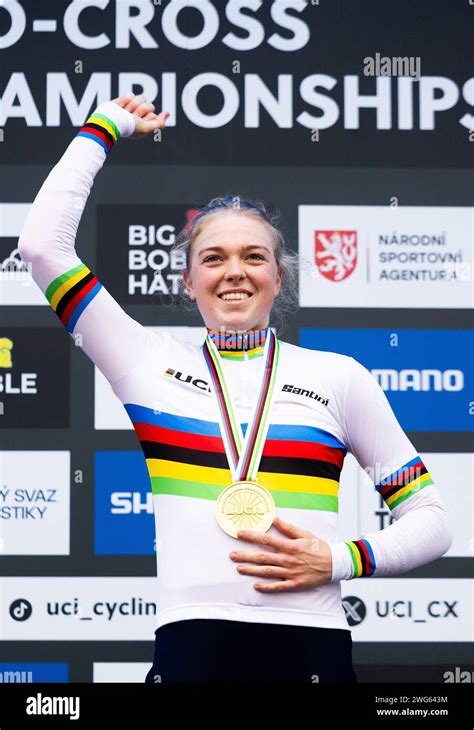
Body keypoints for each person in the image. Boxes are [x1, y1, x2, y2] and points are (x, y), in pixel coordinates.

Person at [18, 93, 453, 684]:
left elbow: (431, 519)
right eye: (213, 257)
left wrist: (343, 558)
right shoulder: (145, 364)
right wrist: (106, 128)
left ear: (279, 277)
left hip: (313, 644)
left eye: (254, 256)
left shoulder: (338, 376)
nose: (234, 271)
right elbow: (43, 248)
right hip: (193, 640)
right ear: (189, 280)